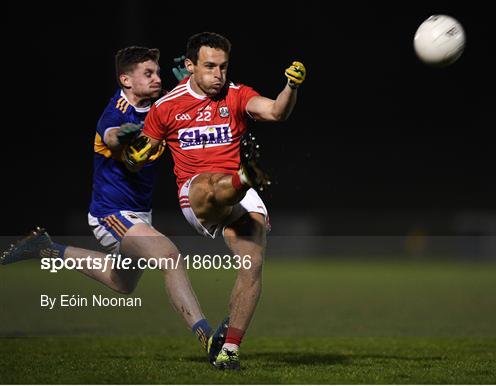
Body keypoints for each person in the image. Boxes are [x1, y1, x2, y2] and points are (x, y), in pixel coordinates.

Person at [0, 46, 227, 364]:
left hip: (137, 214)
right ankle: (207, 338)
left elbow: (190, 106)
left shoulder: (158, 105)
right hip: (111, 214)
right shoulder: (116, 111)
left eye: (157, 72)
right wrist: (124, 135)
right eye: (148, 73)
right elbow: (110, 135)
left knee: (122, 283)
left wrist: (192, 85)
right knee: (170, 257)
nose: (156, 78)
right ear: (125, 80)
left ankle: (47, 248)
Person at [123, 32, 306, 370]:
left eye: (223, 67)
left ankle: (229, 351)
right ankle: (243, 178)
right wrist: (135, 156)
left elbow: (277, 112)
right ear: (190, 66)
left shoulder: (236, 95)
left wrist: (290, 87)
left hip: (240, 194)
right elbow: (139, 156)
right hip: (197, 195)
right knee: (209, 184)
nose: (218, 75)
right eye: (209, 66)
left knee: (252, 262)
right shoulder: (166, 107)